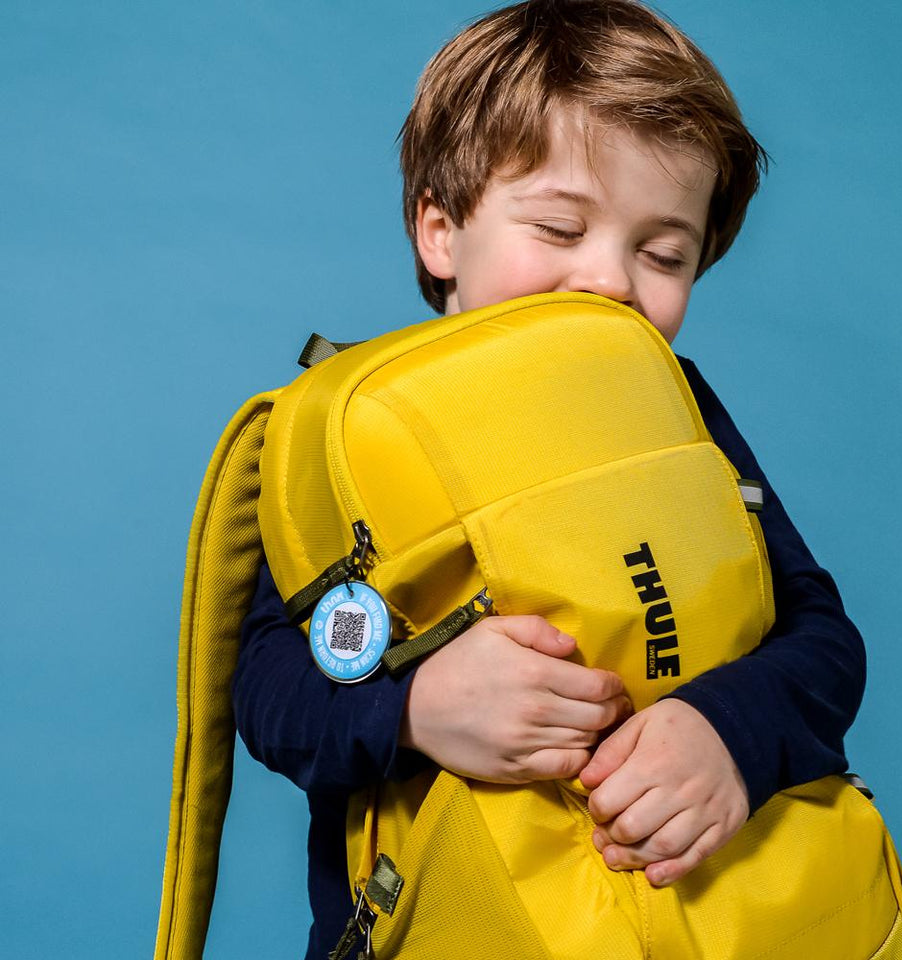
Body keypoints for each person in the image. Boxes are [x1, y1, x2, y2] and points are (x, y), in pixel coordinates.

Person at [233, 2, 865, 957]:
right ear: (440, 231)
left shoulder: (679, 413)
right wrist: (414, 709)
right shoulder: (353, 433)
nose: (611, 281)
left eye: (663, 254)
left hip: (687, 920)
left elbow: (820, 635)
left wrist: (729, 734)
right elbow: (270, 688)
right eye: (561, 227)